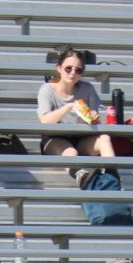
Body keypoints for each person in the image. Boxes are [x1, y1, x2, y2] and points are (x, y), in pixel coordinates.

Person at [36, 46, 114, 175]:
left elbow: (95, 120)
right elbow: (45, 121)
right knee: (71, 153)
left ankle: (112, 177)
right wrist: (68, 107)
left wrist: (94, 117)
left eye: (78, 70)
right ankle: (82, 178)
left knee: (104, 139)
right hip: (55, 140)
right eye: (68, 68)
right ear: (59, 68)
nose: (72, 73)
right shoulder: (47, 89)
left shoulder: (87, 89)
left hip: (82, 139)